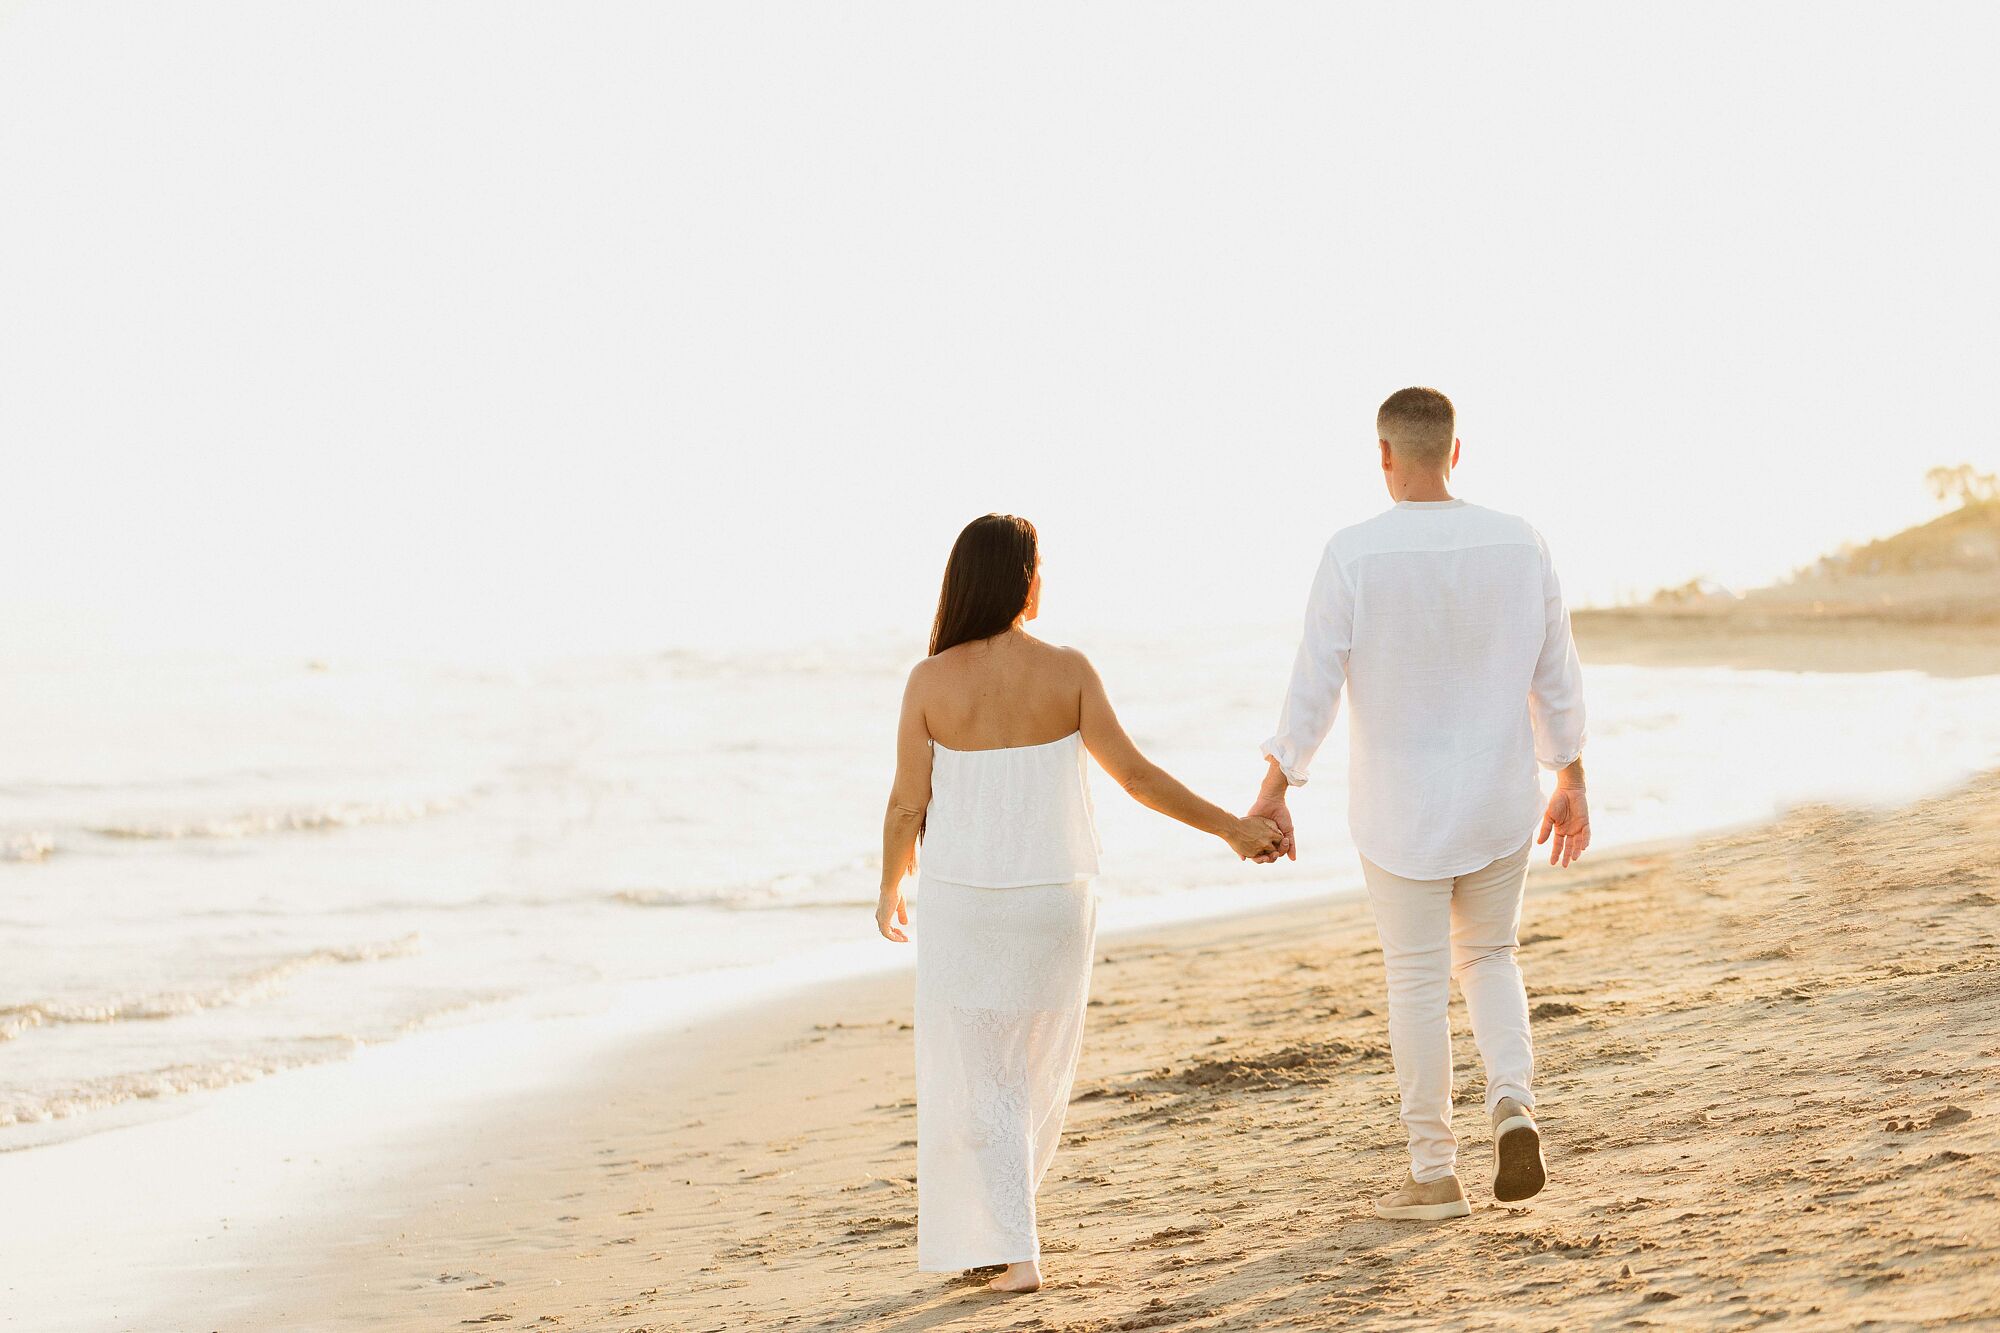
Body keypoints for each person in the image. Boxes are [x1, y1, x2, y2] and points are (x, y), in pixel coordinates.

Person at [875, 513, 1281, 1292]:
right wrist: (1232, 828)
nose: (1044, 581)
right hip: (1054, 903)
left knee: (986, 1076)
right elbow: (1136, 776)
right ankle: (1005, 1232)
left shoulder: (929, 681)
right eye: (1039, 567)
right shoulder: (1069, 671)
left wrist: (889, 883)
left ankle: (1016, 1250)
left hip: (966, 906)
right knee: (1025, 1074)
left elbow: (904, 804)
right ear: (1021, 579)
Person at [1247, 386, 1590, 1220]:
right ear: (1457, 452)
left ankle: (1435, 1172)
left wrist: (1274, 786)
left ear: (1386, 456)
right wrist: (1570, 776)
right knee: (1491, 956)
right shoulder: (1521, 541)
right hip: (1498, 799)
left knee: (1415, 978)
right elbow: (1557, 671)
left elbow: (1314, 684)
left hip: (1399, 812)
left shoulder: (1352, 553)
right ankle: (1513, 1102)